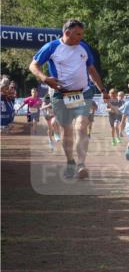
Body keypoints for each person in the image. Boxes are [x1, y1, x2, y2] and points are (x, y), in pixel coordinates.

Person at [28, 19, 108, 180]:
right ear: (67, 33)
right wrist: (45, 79)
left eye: (82, 34)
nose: (81, 37)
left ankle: (81, 165)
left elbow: (91, 69)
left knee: (81, 126)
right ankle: (70, 162)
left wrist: (102, 89)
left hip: (83, 93)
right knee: (67, 131)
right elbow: (33, 66)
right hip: (60, 95)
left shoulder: (84, 47)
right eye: (78, 34)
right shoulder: (52, 47)